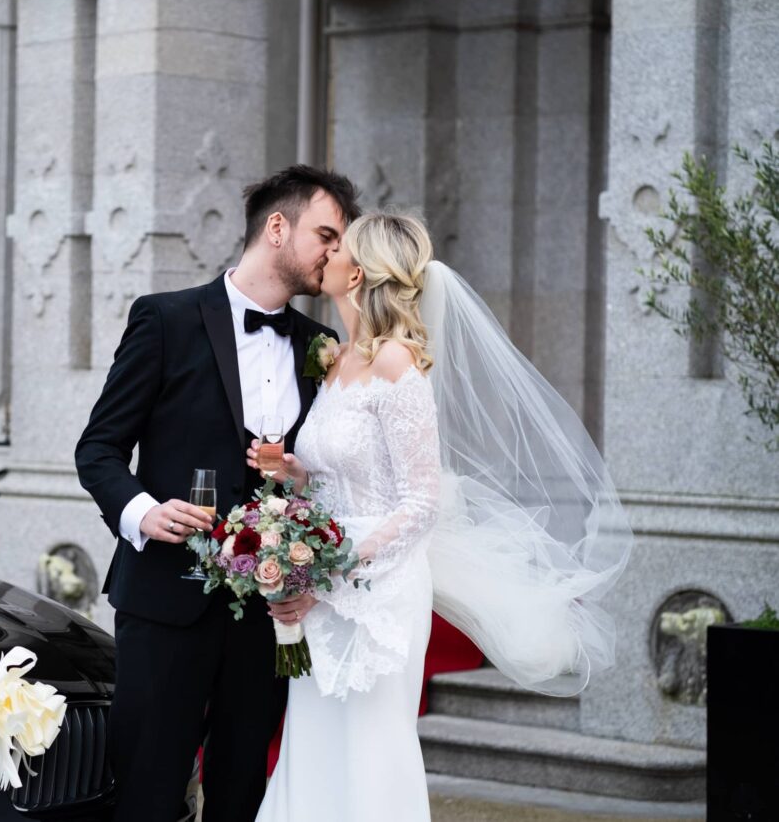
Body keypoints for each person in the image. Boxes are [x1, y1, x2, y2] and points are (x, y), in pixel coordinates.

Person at [254, 211, 631, 821]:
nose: (325, 254)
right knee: (314, 741)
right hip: (319, 582)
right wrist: (293, 472)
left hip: (376, 587)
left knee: (370, 752)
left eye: (339, 246)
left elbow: (421, 502)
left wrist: (335, 568)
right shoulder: (340, 360)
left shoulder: (397, 365)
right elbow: (343, 474)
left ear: (360, 274)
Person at [75, 165, 362, 822]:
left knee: (242, 797)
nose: (334, 253)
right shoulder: (165, 319)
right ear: (277, 227)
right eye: (326, 233)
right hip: (166, 605)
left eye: (339, 239)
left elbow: (328, 477)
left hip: (268, 618)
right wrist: (145, 511)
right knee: (146, 794)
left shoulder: (322, 348)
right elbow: (98, 448)